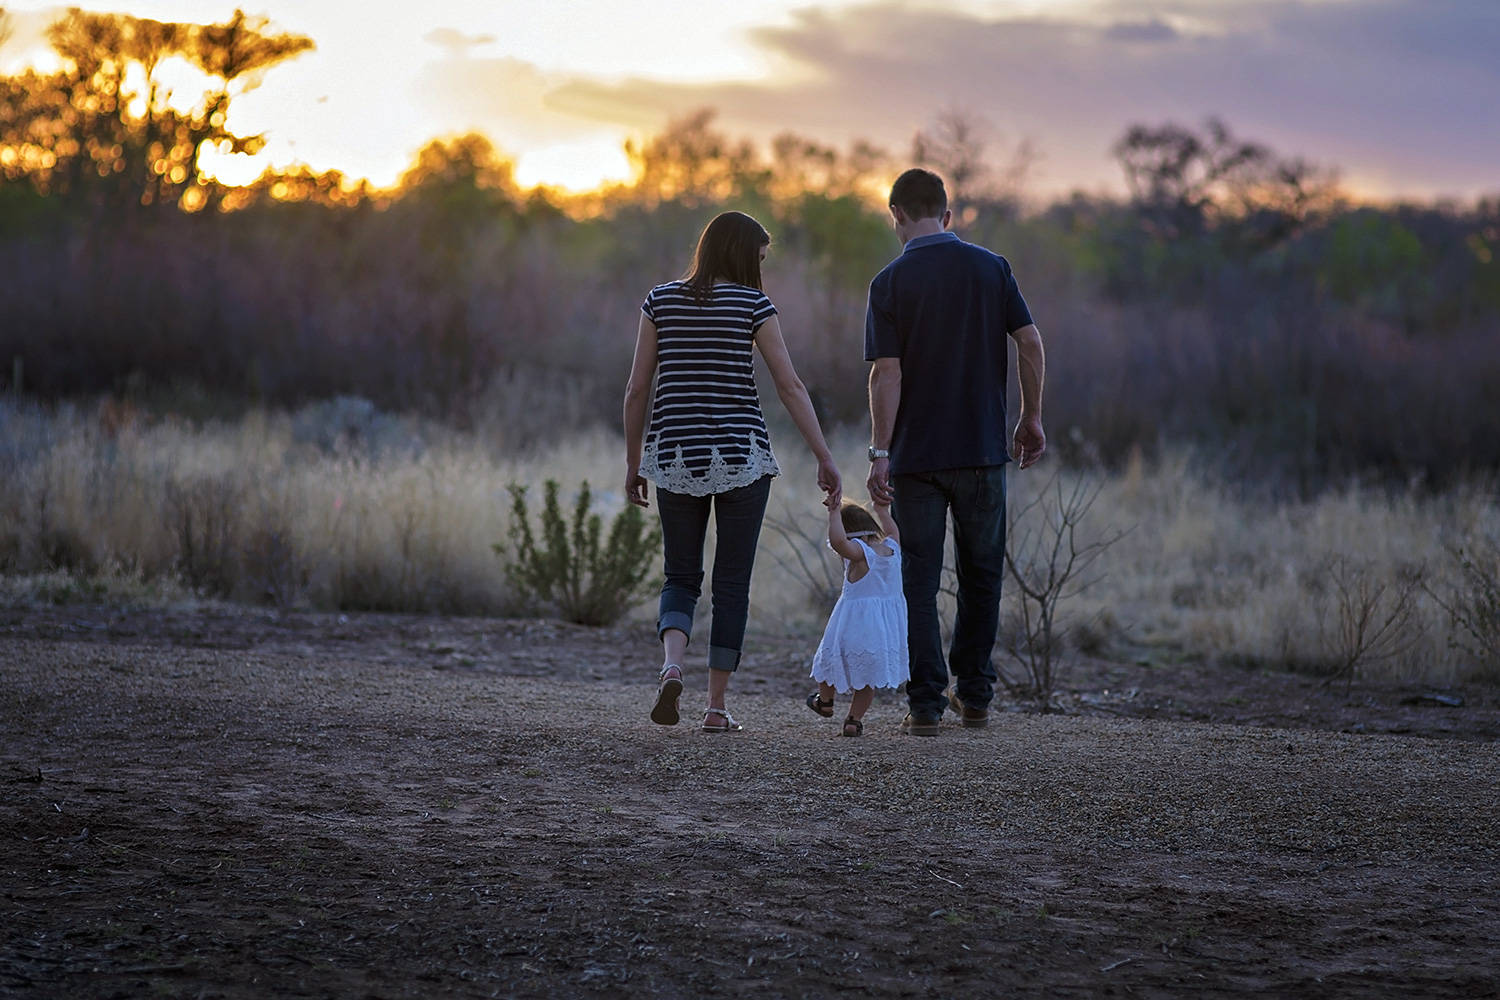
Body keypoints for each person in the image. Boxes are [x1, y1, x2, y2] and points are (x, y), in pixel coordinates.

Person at [624, 210, 841, 732]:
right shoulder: (753, 305)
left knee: (680, 575)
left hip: (674, 456)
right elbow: (789, 386)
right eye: (760, 258)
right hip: (742, 457)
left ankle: (672, 664)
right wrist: (824, 456)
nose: (761, 268)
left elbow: (636, 389)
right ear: (744, 255)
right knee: (732, 585)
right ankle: (716, 708)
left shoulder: (660, 300)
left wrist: (634, 463)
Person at [864, 168, 1047, 737]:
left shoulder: (889, 282)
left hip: (917, 460)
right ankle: (975, 696)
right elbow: (1031, 342)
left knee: (918, 581)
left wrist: (879, 451)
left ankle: (924, 706)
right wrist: (1031, 417)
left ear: (895, 216)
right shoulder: (993, 269)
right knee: (982, 575)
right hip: (983, 452)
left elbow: (885, 375)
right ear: (948, 214)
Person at [806, 498, 908, 737]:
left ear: (853, 535)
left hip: (853, 624)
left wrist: (833, 513)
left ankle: (826, 702)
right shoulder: (893, 548)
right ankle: (853, 720)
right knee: (868, 677)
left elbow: (839, 542)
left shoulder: (861, 553)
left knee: (829, 661)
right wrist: (882, 510)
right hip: (883, 628)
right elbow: (892, 530)